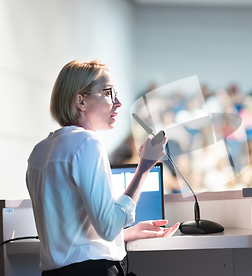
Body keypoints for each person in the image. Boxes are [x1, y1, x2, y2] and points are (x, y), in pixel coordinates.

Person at [26, 60, 178, 276]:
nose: (118, 103)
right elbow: (107, 227)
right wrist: (145, 166)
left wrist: (125, 234)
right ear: (80, 100)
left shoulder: (39, 151)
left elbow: (70, 235)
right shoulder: (88, 143)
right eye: (108, 93)